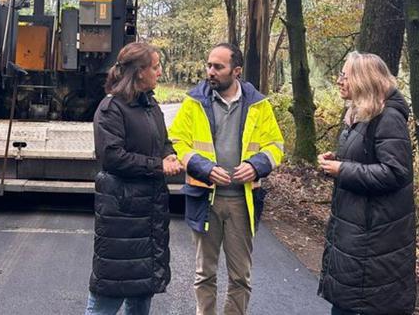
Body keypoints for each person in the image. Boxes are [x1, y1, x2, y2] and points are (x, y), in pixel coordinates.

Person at [169, 42, 285, 315]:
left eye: (218, 67)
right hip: (205, 199)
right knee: (204, 274)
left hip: (242, 204)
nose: (210, 71)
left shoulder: (259, 105)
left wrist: (256, 166)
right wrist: (204, 167)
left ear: (236, 71)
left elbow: (275, 146)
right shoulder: (193, 102)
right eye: (209, 65)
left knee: (240, 277)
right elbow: (178, 142)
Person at [86, 42, 183, 315]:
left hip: (150, 214)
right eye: (155, 67)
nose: (160, 72)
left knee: (141, 293)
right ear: (140, 72)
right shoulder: (111, 109)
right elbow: (112, 157)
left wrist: (170, 155)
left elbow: (163, 141)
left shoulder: (150, 105)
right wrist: (158, 166)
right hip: (122, 215)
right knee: (107, 296)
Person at [317, 51, 416, 315]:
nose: (339, 81)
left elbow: (395, 173)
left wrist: (343, 169)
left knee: (359, 306)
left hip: (374, 240)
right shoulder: (363, 115)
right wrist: (335, 163)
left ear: (363, 80)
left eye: (345, 75)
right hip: (356, 233)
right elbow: (367, 159)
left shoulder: (388, 118)